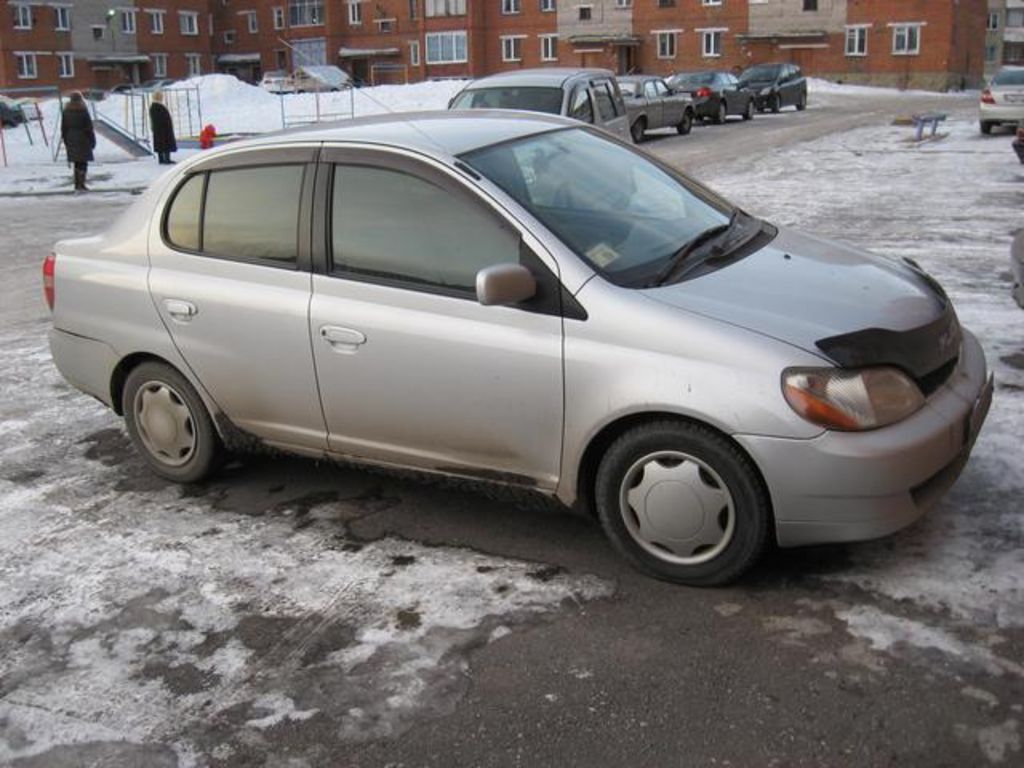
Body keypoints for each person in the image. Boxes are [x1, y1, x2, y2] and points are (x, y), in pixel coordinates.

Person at [60, 92, 95, 192]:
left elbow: (63, 127)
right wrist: (92, 140)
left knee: (76, 162)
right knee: (83, 162)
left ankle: (77, 184)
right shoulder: (83, 111)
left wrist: (66, 140)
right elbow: (89, 127)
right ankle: (81, 184)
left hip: (71, 138)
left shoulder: (66, 112)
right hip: (83, 138)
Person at [149, 91, 177, 164]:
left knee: (159, 144)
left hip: (157, 129)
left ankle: (161, 159)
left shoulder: (153, 106)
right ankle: (167, 159)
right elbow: (164, 118)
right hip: (164, 129)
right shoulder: (159, 106)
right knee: (166, 143)